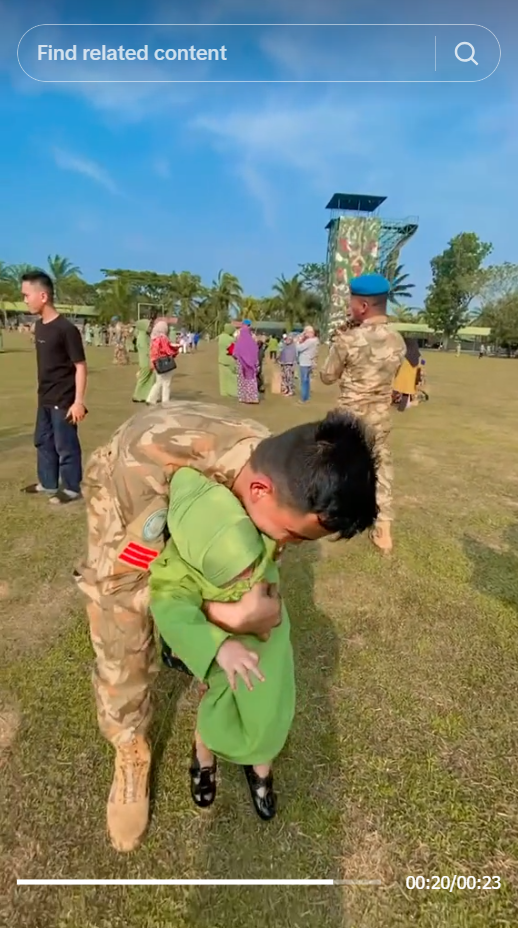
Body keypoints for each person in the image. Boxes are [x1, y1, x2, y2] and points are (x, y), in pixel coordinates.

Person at [75, 401, 378, 852]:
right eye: (294, 535)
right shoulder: (143, 465)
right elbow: (131, 590)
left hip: (204, 488)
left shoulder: (280, 472)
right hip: (133, 495)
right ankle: (130, 745)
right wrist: (223, 618)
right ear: (259, 490)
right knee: (122, 636)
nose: (290, 545)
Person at [150, 468, 295, 821]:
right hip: (217, 641)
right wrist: (218, 646)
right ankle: (205, 750)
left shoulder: (254, 526)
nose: (246, 576)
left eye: (250, 565)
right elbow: (171, 610)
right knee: (219, 697)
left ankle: (260, 762)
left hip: (266, 638)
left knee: (268, 700)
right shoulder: (178, 568)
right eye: (232, 574)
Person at [320, 273, 406, 554]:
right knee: (380, 466)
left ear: (364, 306)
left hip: (350, 417)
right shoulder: (398, 340)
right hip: (379, 416)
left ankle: (334, 514)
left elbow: (327, 376)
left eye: (352, 302)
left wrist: (339, 339)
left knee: (337, 464)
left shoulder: (349, 339)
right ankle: (384, 528)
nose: (349, 306)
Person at [20, 270, 87, 506]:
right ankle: (48, 482)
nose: (24, 300)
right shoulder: (39, 326)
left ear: (43, 296)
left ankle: (71, 487)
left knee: (65, 444)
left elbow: (80, 366)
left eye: (27, 295)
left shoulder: (66, 329)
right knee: (43, 440)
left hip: (64, 399)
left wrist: (78, 402)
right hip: (45, 397)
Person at [146, 320, 178, 406]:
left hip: (157, 363)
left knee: (158, 382)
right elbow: (168, 351)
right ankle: (165, 401)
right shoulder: (163, 339)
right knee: (166, 383)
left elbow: (153, 352)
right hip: (166, 362)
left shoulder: (153, 338)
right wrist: (176, 348)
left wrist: (152, 362)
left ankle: (150, 399)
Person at [234, 320, 259, 404]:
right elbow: (256, 350)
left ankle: (243, 397)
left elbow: (235, 353)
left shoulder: (238, 338)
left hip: (241, 363)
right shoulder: (253, 338)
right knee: (251, 380)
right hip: (251, 364)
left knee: (242, 380)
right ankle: (252, 398)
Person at [392, 338, 421, 411]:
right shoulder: (416, 357)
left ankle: (393, 402)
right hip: (410, 379)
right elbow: (419, 369)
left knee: (395, 389)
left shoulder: (402, 355)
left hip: (400, 377)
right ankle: (401, 407)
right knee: (406, 392)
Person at [132, 318, 156, 403]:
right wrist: (151, 361)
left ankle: (144, 395)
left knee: (149, 378)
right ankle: (137, 395)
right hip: (146, 361)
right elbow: (146, 351)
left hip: (146, 361)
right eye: (149, 326)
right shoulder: (142, 338)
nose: (150, 328)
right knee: (143, 379)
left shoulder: (145, 336)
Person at [296, 326, 320, 403]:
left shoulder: (309, 341)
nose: (305, 333)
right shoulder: (316, 340)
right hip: (310, 362)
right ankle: (307, 396)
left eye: (306, 332)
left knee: (303, 381)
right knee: (307, 381)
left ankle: (303, 398)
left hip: (304, 362)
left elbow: (299, 348)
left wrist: (297, 341)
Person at [217, 323, 238, 397]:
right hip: (229, 360)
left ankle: (224, 392)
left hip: (221, 359)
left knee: (223, 378)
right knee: (232, 377)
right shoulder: (231, 339)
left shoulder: (221, 337)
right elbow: (233, 351)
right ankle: (233, 392)